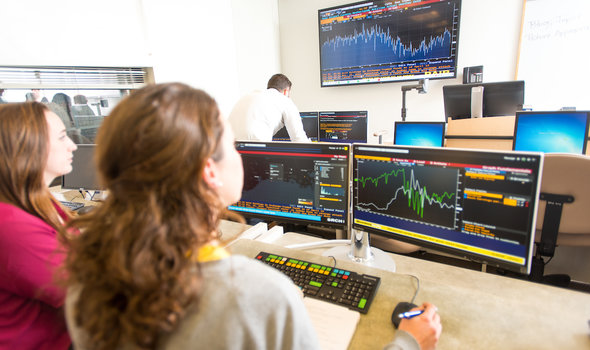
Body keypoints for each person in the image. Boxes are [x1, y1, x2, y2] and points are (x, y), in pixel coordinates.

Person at [61, 83, 441, 350]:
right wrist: (409, 341)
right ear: (209, 171)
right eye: (232, 144)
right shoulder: (257, 296)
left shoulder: (86, 277)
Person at [0, 102, 77, 349]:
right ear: (29, 146)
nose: (73, 146)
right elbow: (88, 290)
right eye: (63, 137)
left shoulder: (37, 200)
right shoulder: (12, 226)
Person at [228, 73, 309, 142]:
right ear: (286, 91)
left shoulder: (248, 95)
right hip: (255, 149)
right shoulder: (285, 100)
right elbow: (299, 139)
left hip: (229, 147)